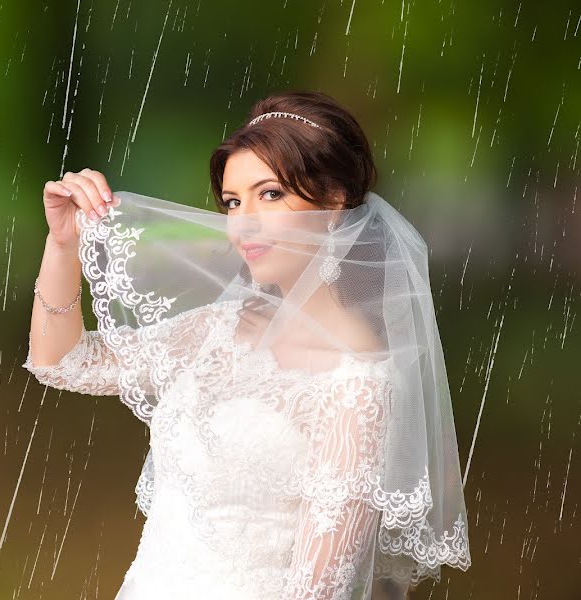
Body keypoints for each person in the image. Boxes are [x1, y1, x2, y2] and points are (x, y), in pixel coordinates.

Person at [24, 90, 472, 599]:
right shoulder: (219, 329)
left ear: (333, 204)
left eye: (271, 194)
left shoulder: (357, 379)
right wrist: (62, 245)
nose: (245, 223)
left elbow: (317, 590)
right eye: (234, 202)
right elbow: (62, 363)